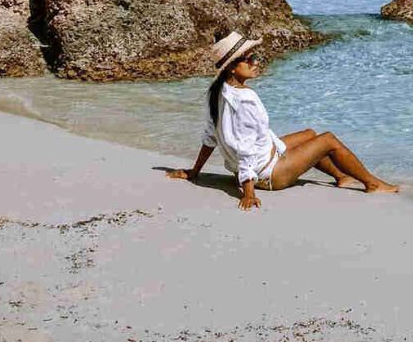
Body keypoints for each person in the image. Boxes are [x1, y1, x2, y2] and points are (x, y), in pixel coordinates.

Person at [166, 31, 399, 209]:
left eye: (254, 57)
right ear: (232, 69)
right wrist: (248, 193)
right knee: (328, 140)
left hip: (261, 161)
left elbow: (210, 136)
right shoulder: (245, 100)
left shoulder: (217, 92)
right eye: (248, 59)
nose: (256, 62)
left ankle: (341, 177)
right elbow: (244, 148)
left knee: (310, 134)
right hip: (269, 176)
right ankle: (372, 184)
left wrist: (195, 171)